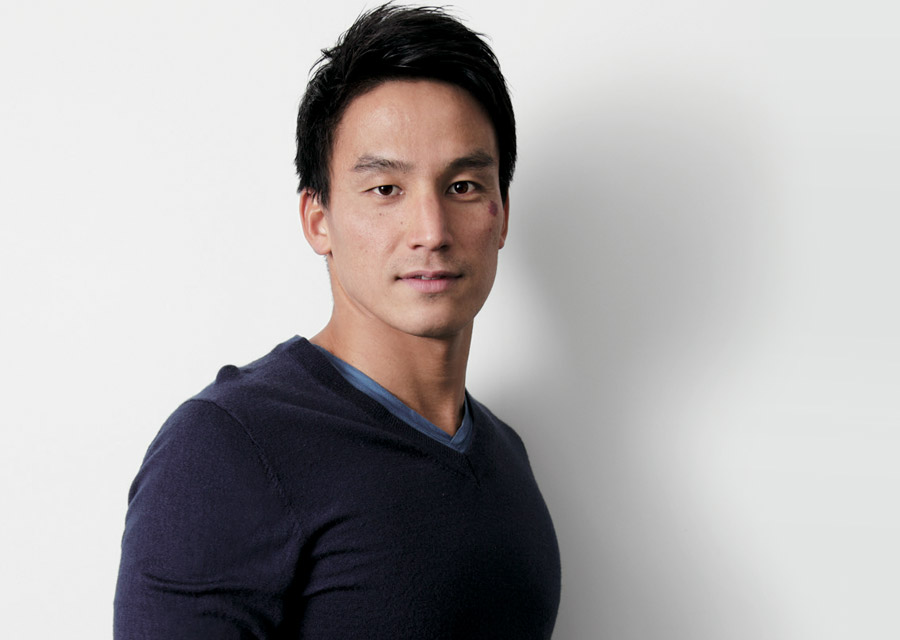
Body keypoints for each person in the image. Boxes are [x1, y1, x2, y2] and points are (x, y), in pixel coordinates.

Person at [113, 5, 561, 638]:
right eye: (386, 190)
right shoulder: (227, 448)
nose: (431, 231)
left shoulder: (505, 453)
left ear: (502, 213)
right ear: (317, 220)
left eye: (462, 186)